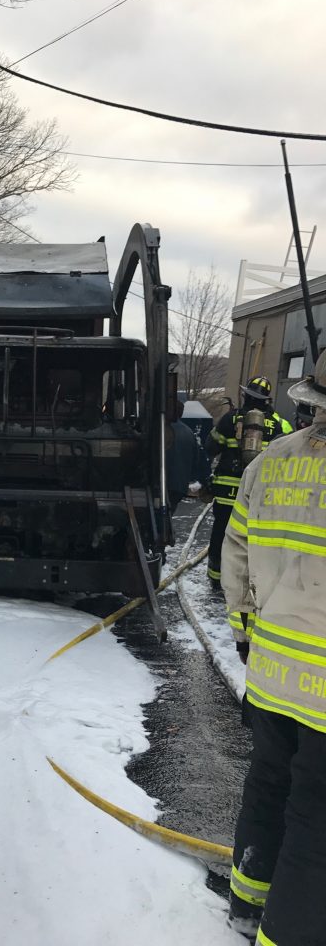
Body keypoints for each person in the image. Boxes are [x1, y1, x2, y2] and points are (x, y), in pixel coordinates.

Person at [221, 348, 326, 945]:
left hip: (271, 674)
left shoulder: (271, 461)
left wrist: (245, 634)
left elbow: (235, 554)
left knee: (267, 788)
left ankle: (246, 904)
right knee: (316, 821)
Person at [205, 376, 292, 589]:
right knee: (251, 537)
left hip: (227, 493)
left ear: (246, 396)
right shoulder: (281, 424)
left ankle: (216, 578)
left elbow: (210, 447)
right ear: (267, 400)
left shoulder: (230, 419)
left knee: (221, 532)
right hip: (258, 494)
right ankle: (246, 580)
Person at [165, 400, 210, 515]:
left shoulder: (162, 430)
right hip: (180, 485)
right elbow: (196, 460)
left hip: (163, 482)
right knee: (168, 512)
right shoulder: (189, 432)